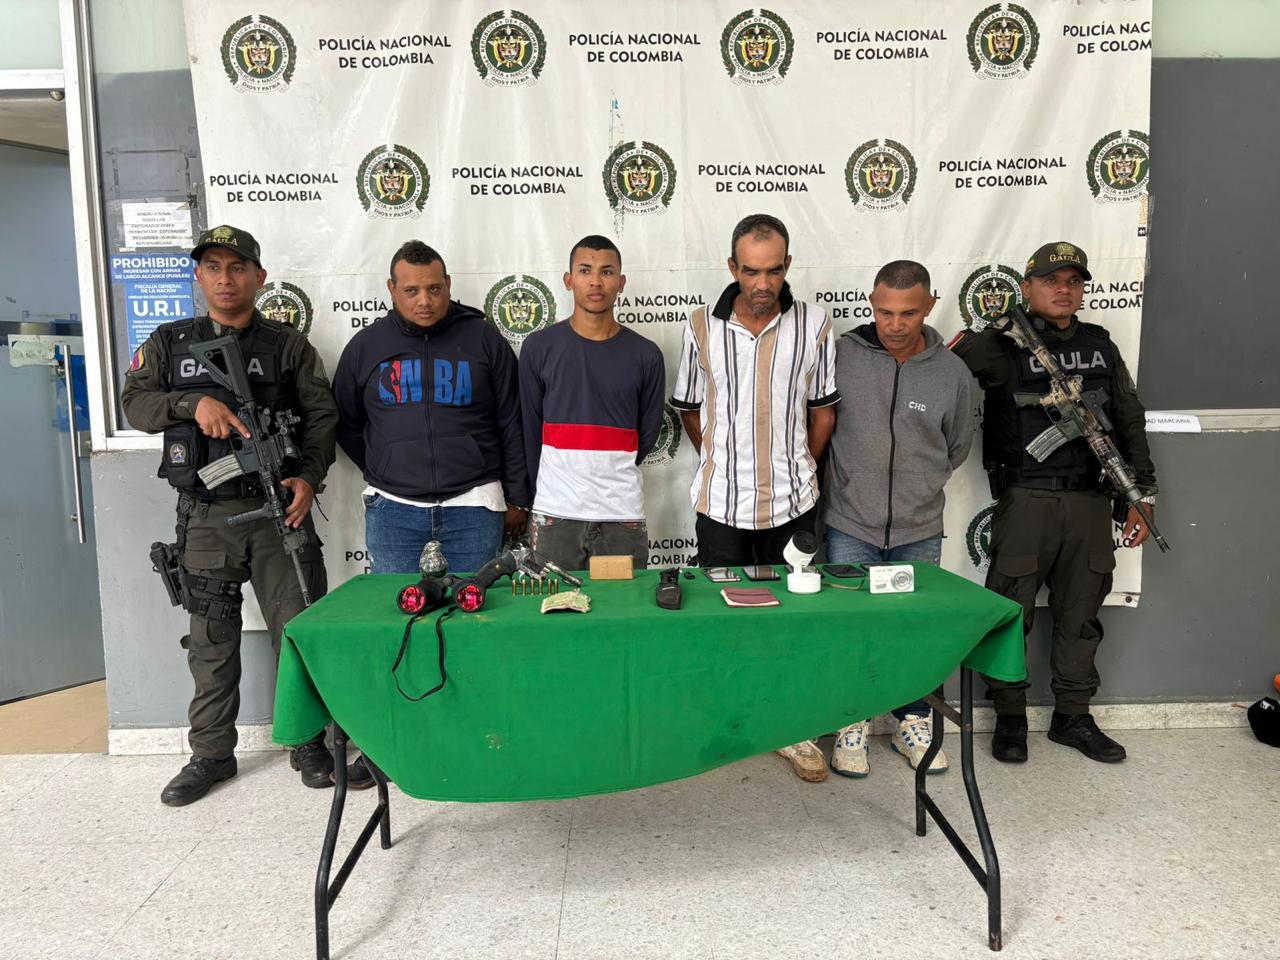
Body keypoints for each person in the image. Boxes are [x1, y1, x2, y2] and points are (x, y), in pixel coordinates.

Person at [121, 225, 337, 806]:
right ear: (198, 276)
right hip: (206, 517)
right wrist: (192, 403)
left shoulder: (289, 347)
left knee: (299, 635)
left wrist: (307, 479)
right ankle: (211, 755)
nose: (224, 278)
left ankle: (308, 743)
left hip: (279, 515)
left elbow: (321, 421)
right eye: (213, 267)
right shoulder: (169, 343)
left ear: (259, 278)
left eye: (237, 268)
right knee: (211, 639)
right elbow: (135, 403)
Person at [951, 241, 1158, 764]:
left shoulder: (1100, 346)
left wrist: (1141, 493)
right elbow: (935, 377)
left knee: (1081, 615)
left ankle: (1072, 716)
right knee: (1010, 612)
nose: (1064, 289)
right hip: (1026, 500)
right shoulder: (996, 344)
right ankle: (1011, 719)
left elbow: (1129, 421)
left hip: (1090, 502)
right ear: (1027, 287)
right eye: (1051, 280)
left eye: (1073, 281)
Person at [669, 213, 838, 783]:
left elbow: (823, 410)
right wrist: (723, 462)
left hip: (794, 503)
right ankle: (726, 721)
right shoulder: (698, 327)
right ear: (732, 268)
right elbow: (690, 412)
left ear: (787, 266)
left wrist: (798, 466)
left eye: (773, 270)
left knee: (790, 618)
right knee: (722, 616)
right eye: (750, 271)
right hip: (720, 504)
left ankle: (791, 728)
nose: (762, 283)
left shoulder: (816, 324)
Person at [819, 260, 976, 779]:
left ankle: (914, 721)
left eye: (908, 312)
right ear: (871, 303)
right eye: (884, 311)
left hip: (918, 528)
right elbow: (816, 423)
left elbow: (955, 447)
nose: (895, 324)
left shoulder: (952, 374)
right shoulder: (841, 355)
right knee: (851, 626)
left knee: (913, 629)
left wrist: (918, 488)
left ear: (930, 305)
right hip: (850, 523)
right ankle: (850, 720)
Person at [332, 240, 530, 576]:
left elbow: (512, 421)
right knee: (400, 617)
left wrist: (518, 498)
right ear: (392, 290)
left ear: (449, 284)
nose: (425, 300)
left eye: (434, 288)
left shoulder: (484, 340)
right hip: (394, 511)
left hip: (474, 506)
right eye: (411, 290)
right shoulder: (366, 346)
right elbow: (345, 421)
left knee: (474, 615)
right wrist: (388, 462)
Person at [519, 235, 666, 571]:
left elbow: (647, 434)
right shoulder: (539, 348)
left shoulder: (646, 355)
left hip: (621, 515)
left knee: (622, 616)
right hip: (556, 515)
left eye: (607, 271)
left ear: (621, 282)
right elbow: (529, 429)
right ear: (569, 280)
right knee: (554, 614)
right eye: (585, 270)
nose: (596, 281)